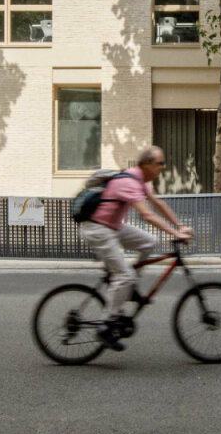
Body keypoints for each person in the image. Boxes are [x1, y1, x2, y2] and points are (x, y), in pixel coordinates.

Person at [79, 145, 193, 350]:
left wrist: (180, 226)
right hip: (97, 229)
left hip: (112, 227)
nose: (162, 167)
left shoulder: (142, 181)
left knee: (150, 242)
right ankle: (105, 326)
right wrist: (175, 234)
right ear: (147, 164)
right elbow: (147, 214)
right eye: (159, 163)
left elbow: (158, 204)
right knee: (125, 275)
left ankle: (130, 289)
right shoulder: (129, 182)